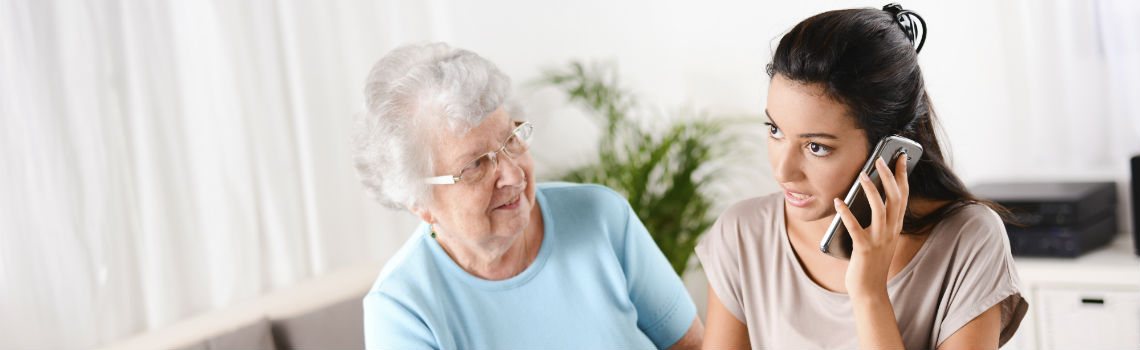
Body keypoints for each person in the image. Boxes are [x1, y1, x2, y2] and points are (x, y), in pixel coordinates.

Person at [697, 4, 1027, 349]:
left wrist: (869, 294)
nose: (783, 171)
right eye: (776, 130)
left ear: (891, 148)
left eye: (817, 147)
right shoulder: (742, 234)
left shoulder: (968, 241)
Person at [352, 42, 702, 349]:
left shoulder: (602, 217)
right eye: (476, 165)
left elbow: (692, 346)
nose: (514, 175)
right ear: (420, 202)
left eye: (512, 140)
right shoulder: (402, 309)